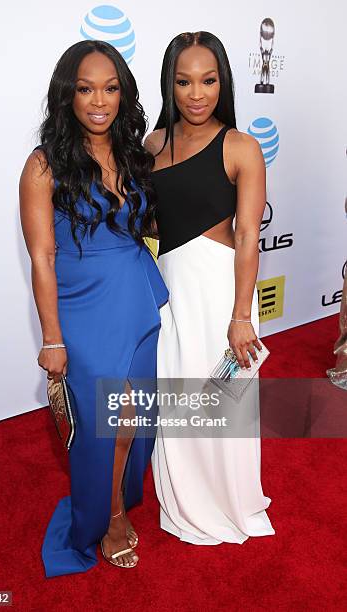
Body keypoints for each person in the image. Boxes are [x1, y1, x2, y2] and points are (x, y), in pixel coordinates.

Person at [19, 40, 168, 575]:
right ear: (68, 95)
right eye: (85, 89)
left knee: (135, 419)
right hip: (83, 311)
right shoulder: (43, 166)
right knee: (110, 420)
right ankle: (106, 517)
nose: (98, 100)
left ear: (123, 94)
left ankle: (115, 499)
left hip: (136, 299)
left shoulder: (134, 154)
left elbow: (145, 226)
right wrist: (52, 339)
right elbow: (41, 258)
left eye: (109, 88)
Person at [145, 31, 275, 545]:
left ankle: (229, 501)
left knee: (224, 406)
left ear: (224, 81)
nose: (196, 93)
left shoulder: (242, 146)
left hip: (223, 296)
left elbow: (248, 236)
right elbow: (151, 223)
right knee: (179, 404)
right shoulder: (153, 145)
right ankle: (186, 498)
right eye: (183, 81)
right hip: (173, 294)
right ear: (169, 85)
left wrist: (241, 316)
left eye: (208, 80)